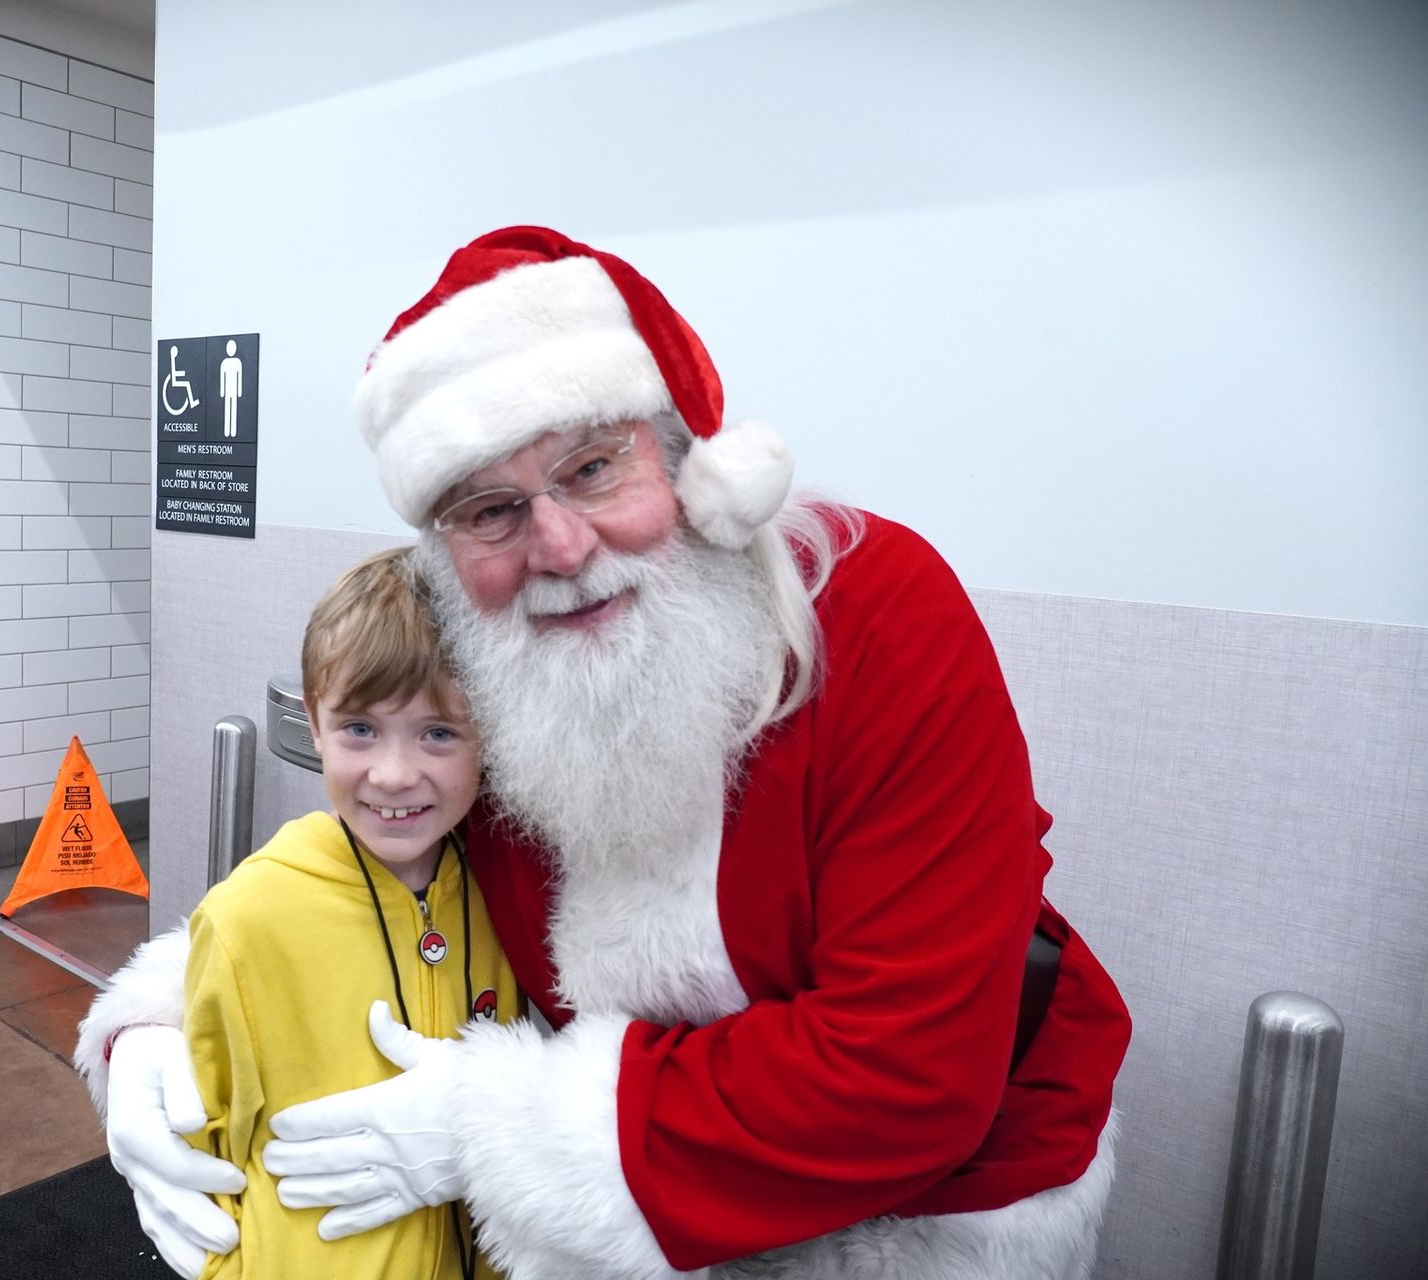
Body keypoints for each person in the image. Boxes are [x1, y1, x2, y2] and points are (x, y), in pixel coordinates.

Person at [77, 227, 1132, 1280]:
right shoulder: (488, 656)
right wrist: (166, 1020)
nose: (561, 546)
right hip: (626, 1204)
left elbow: (911, 1072)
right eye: (490, 509)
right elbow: (387, 878)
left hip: (933, 1211)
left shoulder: (880, 609)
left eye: (592, 467)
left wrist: (490, 1127)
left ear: (683, 463)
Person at [79, 548, 519, 1279]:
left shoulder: (508, 890)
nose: (394, 773)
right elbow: (202, 1155)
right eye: (359, 729)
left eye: (439, 733)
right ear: (313, 725)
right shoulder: (250, 916)